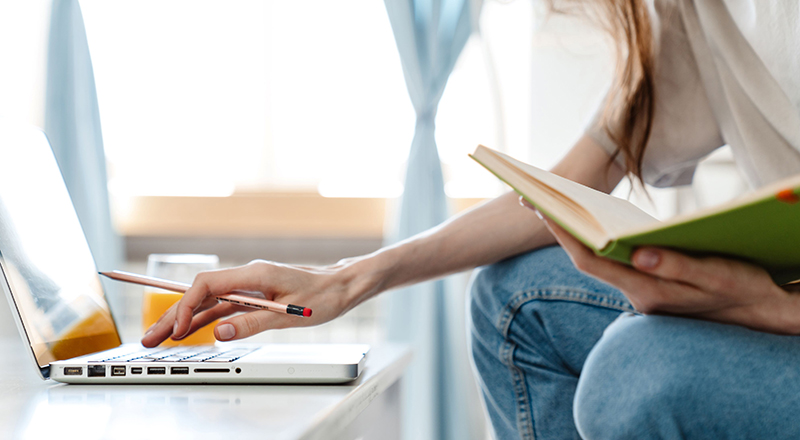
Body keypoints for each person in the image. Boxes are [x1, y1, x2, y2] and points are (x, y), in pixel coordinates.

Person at [142, 0, 800, 438]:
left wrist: (776, 308)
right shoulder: (687, 14)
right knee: (512, 297)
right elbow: (570, 183)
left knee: (634, 368)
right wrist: (344, 279)